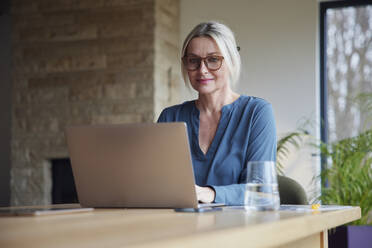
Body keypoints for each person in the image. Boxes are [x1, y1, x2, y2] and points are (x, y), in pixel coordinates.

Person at [157, 21, 277, 205]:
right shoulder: (170, 117)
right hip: (180, 226)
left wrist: (209, 194)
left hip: (239, 228)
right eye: (193, 60)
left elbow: (261, 191)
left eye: (213, 59)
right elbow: (156, 183)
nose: (202, 70)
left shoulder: (256, 113)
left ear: (231, 61)